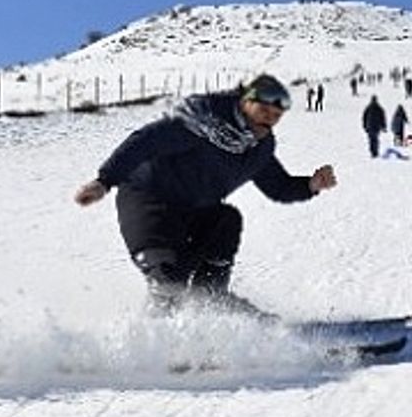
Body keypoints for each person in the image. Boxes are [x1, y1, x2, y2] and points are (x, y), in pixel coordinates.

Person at [73, 74, 337, 316]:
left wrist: (310, 185)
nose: (270, 118)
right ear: (246, 102)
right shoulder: (200, 123)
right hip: (149, 201)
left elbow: (277, 186)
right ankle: (153, 342)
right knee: (169, 281)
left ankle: (211, 302)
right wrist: (105, 181)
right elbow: (144, 142)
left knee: (226, 219)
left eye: (277, 114)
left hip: (194, 211)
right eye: (264, 110)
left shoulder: (257, 148)